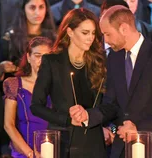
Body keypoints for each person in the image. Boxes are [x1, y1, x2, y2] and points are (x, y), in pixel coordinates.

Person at [69, 5, 152, 158]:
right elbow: (111, 105)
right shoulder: (114, 58)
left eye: (108, 34)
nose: (106, 42)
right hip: (122, 150)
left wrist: (138, 128)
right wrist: (88, 116)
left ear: (123, 29)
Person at [31, 8, 107, 158]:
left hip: (93, 143)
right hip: (63, 141)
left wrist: (93, 117)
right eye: (85, 33)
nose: (90, 38)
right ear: (70, 32)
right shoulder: (52, 62)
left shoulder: (100, 63)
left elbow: (110, 104)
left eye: (93, 33)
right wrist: (67, 120)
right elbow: (36, 106)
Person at [3, 37, 52, 158]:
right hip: (23, 151)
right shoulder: (15, 84)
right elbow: (8, 124)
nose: (42, 60)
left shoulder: (58, 86)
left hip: (51, 150)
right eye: (37, 55)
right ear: (29, 57)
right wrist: (30, 153)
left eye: (46, 56)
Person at [0, 0, 56, 81]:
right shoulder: (9, 40)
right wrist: (1, 68)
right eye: (32, 7)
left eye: (41, 7)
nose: (38, 12)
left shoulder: (54, 39)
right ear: (23, 9)